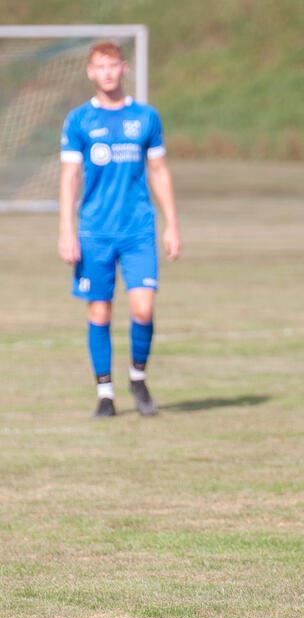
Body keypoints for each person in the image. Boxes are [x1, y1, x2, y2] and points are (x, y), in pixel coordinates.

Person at [59, 40, 181, 418]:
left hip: (138, 230)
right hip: (94, 232)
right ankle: (106, 394)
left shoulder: (146, 118)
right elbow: (70, 176)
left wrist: (172, 224)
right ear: (90, 72)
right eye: (100, 66)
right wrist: (66, 229)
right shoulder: (79, 120)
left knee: (142, 309)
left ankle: (138, 377)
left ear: (123, 69)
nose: (108, 72)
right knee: (99, 313)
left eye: (113, 65)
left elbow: (159, 171)